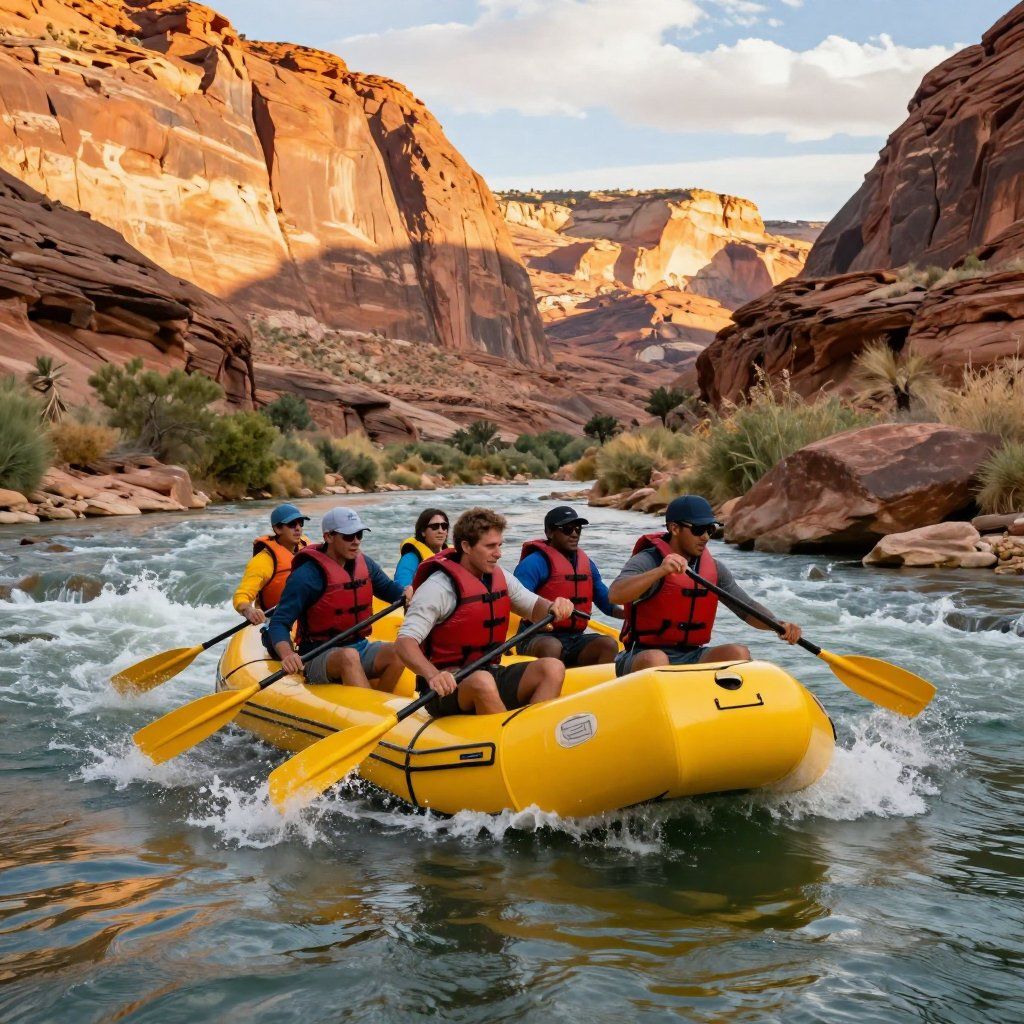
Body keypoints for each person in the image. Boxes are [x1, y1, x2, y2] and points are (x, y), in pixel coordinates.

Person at [395, 507, 576, 716]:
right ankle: (507, 741)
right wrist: (433, 675)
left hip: (488, 671)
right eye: (490, 546)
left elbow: (535, 607)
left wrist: (555, 605)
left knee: (552, 669)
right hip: (444, 687)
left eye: (499, 545)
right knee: (482, 681)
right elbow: (404, 642)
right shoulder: (438, 588)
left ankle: (530, 732)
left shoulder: (499, 577)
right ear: (466, 546)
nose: (498, 553)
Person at [607, 494, 802, 676]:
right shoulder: (648, 560)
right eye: (698, 530)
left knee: (738, 653)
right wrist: (660, 571)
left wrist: (778, 625)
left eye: (710, 529)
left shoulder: (714, 569)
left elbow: (747, 608)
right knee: (656, 658)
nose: (706, 537)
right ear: (674, 528)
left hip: (692, 655)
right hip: (640, 655)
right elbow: (615, 594)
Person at [266, 507, 412, 691]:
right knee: (348, 656)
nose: (356, 542)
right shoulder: (307, 575)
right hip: (316, 655)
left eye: (359, 535)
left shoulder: (365, 564)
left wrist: (406, 592)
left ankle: (381, 705)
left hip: (360, 646)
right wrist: (287, 655)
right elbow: (279, 622)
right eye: (348, 536)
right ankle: (367, 710)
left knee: (399, 652)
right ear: (328, 537)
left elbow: (391, 590)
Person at [513, 505, 622, 666]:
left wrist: (631, 614)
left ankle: (595, 687)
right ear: (550, 533)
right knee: (552, 646)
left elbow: (606, 603)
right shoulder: (534, 563)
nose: (574, 534)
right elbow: (516, 600)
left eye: (578, 529)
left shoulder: (586, 564)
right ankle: (548, 682)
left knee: (608, 645)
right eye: (567, 529)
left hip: (574, 638)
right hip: (535, 637)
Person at [233, 503, 310, 625]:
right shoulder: (263, 561)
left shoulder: (305, 544)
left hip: (306, 614)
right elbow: (241, 596)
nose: (298, 528)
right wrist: (248, 611)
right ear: (278, 529)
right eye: (292, 524)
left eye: (300, 523)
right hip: (278, 620)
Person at [394, 508, 450, 587]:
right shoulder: (411, 558)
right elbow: (402, 588)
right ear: (423, 532)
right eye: (434, 527)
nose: (440, 531)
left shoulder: (452, 555)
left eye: (444, 526)